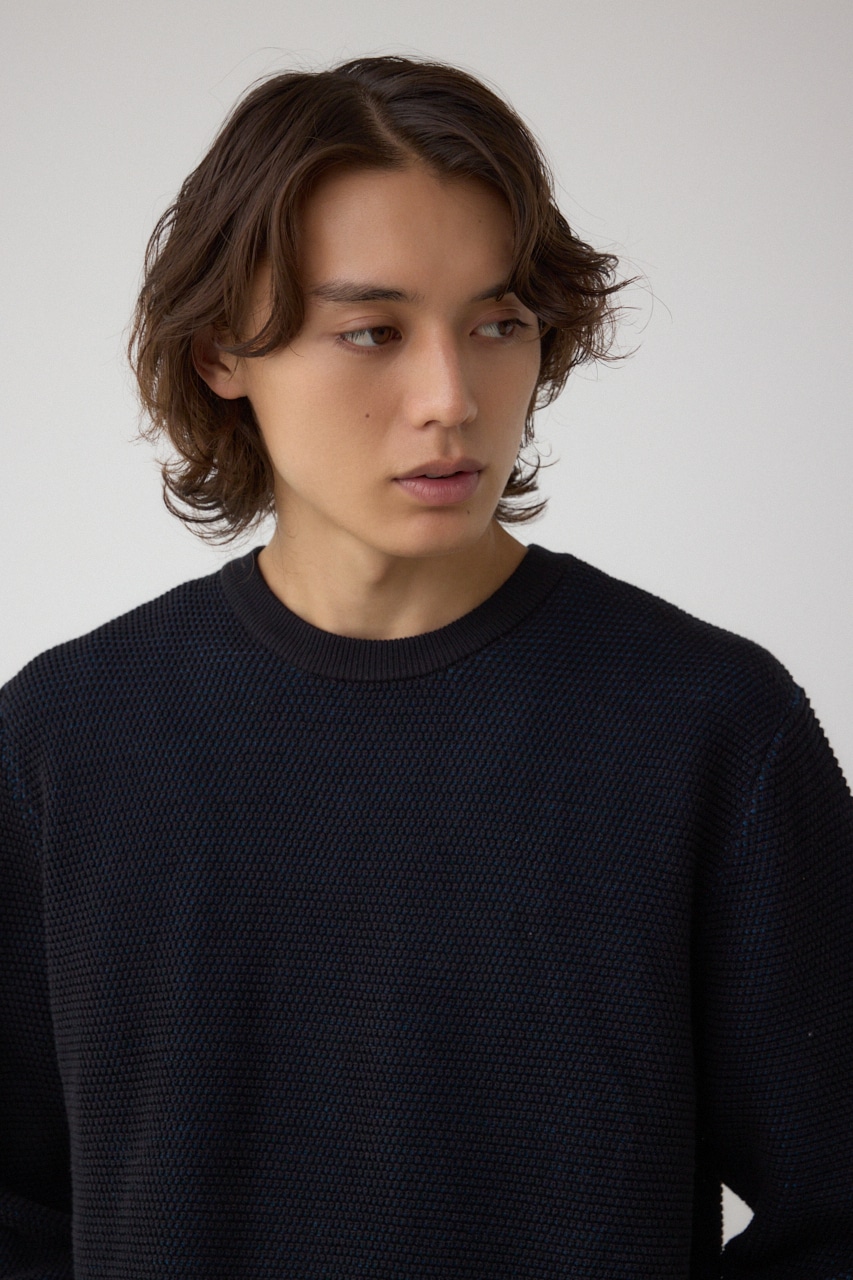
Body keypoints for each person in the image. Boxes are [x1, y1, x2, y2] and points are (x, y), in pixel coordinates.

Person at [1, 54, 851, 1280]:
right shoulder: (65, 737)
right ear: (221, 351)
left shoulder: (709, 726)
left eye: (497, 324)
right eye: (372, 331)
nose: (451, 397)